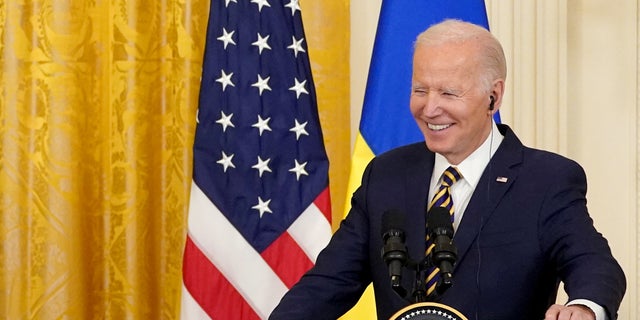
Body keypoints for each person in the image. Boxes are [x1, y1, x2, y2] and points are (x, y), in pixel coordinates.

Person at [269, 19, 626, 320]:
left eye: (448, 93)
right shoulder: (386, 175)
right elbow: (328, 284)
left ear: (493, 97)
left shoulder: (546, 180)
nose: (429, 108)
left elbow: (594, 263)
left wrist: (585, 308)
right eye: (420, 90)